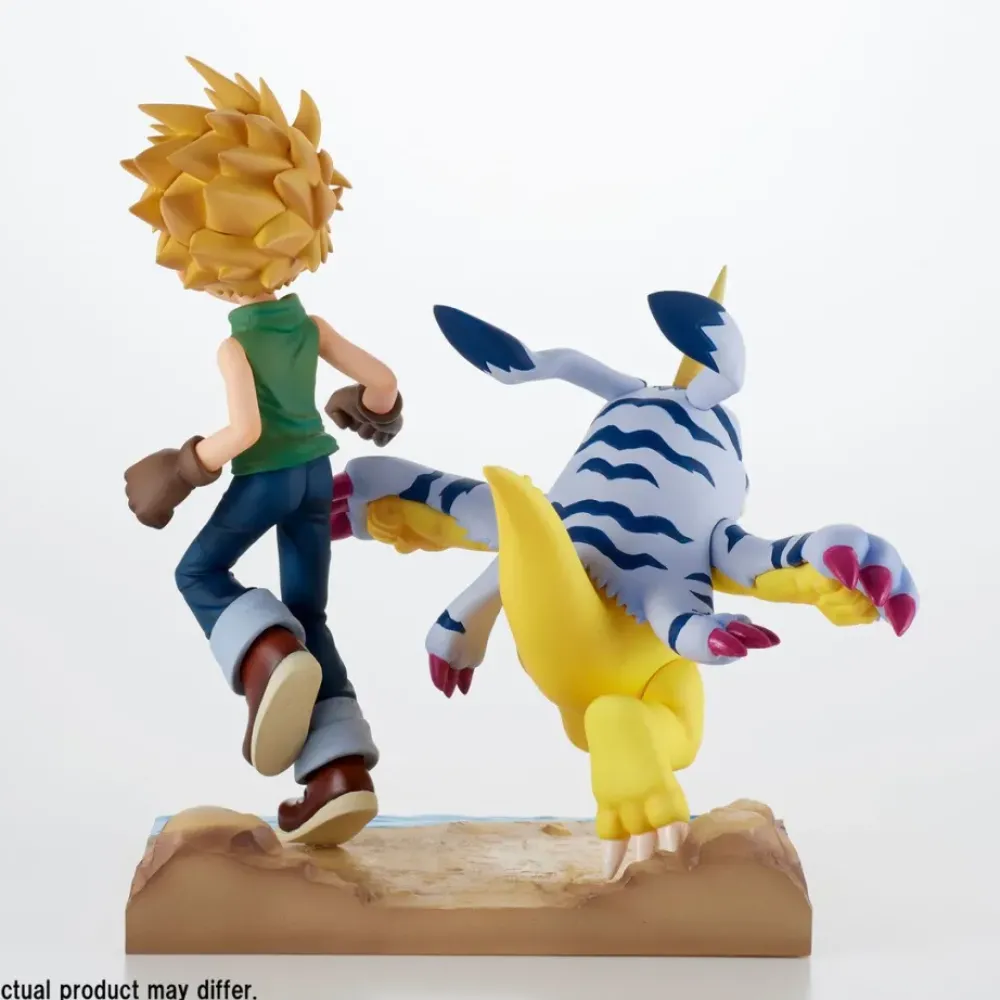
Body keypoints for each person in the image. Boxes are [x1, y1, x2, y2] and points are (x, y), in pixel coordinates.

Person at [121, 58, 401, 847]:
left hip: (268, 478)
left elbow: (243, 432)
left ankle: (265, 657)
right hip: (317, 477)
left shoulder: (234, 343)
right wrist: (365, 409)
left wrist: (183, 467)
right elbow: (382, 382)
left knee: (199, 574)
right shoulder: (312, 327)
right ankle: (337, 773)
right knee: (312, 610)